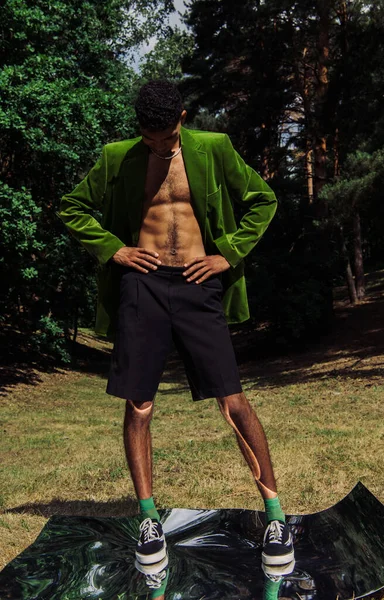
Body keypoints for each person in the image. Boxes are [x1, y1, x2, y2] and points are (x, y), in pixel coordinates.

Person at [59, 79, 294, 573]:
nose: (158, 147)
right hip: (141, 286)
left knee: (232, 400)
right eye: (149, 138)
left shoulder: (214, 148)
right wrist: (115, 249)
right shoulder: (118, 156)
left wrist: (226, 253)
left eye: (165, 138)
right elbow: (72, 207)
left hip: (197, 284)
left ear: (181, 119)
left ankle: (275, 516)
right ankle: (148, 519)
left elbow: (263, 200)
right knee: (139, 404)